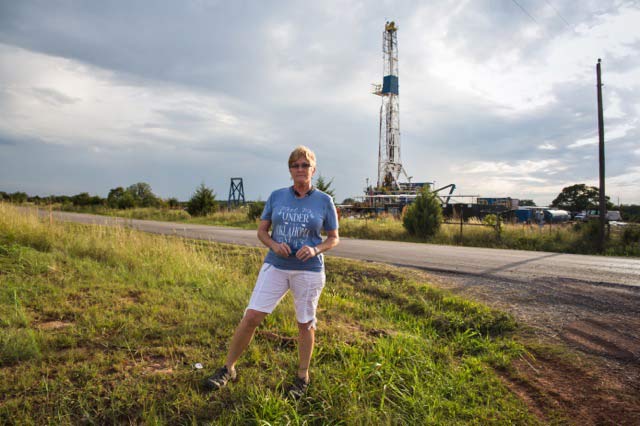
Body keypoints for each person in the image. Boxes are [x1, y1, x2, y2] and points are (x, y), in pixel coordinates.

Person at [204, 145, 340, 399]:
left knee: (305, 323)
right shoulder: (277, 196)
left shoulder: (324, 201)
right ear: (290, 170)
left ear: (313, 169)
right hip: (276, 266)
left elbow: (334, 239)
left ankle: (302, 377)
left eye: (305, 165)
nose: (300, 169)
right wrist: (275, 245)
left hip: (308, 271)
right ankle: (227, 369)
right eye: (295, 165)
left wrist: (315, 249)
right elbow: (262, 232)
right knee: (252, 316)